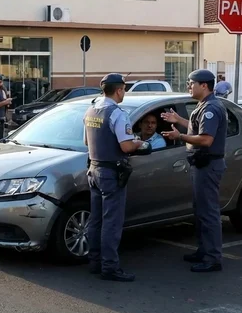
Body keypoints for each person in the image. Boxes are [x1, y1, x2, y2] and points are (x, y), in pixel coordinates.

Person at [161, 69, 227, 273]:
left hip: (208, 165)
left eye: (191, 83)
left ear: (204, 85)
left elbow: (206, 139)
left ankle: (213, 258)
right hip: (201, 165)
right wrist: (179, 120)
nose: (188, 86)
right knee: (200, 212)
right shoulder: (204, 105)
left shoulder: (211, 108)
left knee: (209, 213)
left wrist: (178, 136)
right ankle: (204, 250)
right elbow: (197, 127)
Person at [84, 73, 147, 282]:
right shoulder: (118, 114)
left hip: (93, 169)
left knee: (96, 220)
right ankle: (110, 267)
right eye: (124, 89)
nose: (124, 93)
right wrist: (138, 143)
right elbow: (126, 146)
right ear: (119, 90)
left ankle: (94, 262)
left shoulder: (91, 110)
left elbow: (87, 141)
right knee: (112, 222)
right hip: (112, 172)